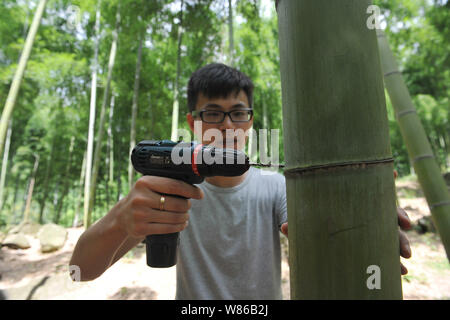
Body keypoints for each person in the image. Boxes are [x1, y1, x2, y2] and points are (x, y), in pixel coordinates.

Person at [69, 63, 412, 299]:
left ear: (249, 122)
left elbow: (319, 228)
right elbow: (79, 271)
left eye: (238, 113)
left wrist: (361, 217)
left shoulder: (275, 186)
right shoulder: (166, 190)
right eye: (213, 114)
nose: (228, 126)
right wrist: (123, 219)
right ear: (193, 122)